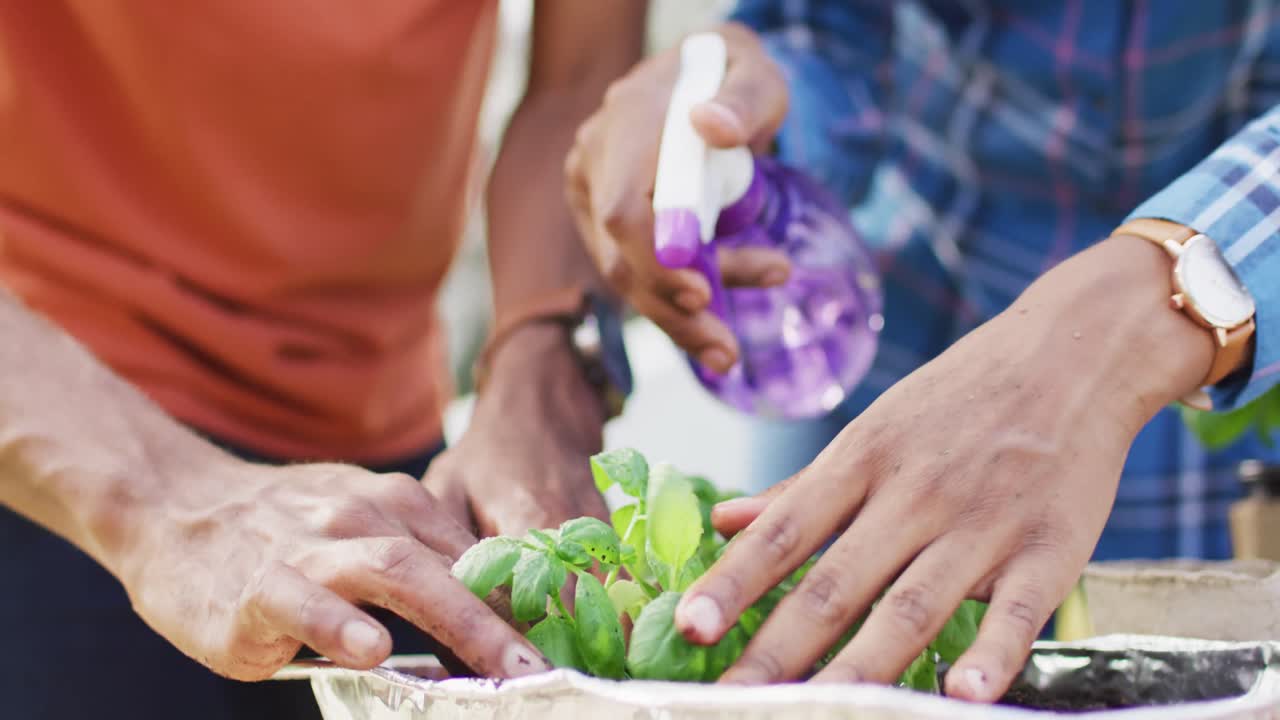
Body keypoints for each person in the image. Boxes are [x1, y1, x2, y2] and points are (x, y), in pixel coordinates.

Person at [566, 1, 1280, 704]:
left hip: (1237, 391)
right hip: (897, 355)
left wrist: (1155, 302)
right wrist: (742, 128)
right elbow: (825, 25)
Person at [0, 2, 646, 719]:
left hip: (390, 482)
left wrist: (541, 358)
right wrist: (160, 494)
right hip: (65, 444)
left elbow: (580, 74)